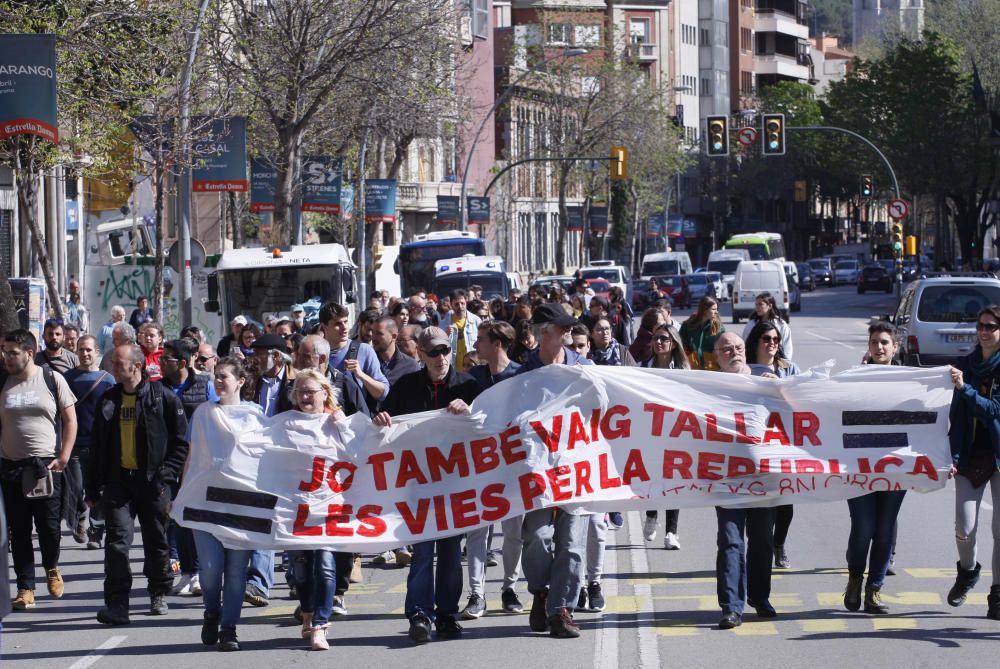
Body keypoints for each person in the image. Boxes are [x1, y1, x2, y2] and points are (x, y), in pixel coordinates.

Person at [373, 326, 481, 643]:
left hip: (455, 485)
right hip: (417, 486)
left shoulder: (468, 385)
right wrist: (380, 420)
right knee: (422, 553)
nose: (441, 357)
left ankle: (447, 614)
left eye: (445, 350)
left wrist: (471, 412)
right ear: (420, 354)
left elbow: (490, 427)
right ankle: (420, 614)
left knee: (449, 554)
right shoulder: (406, 386)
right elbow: (384, 423)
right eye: (433, 352)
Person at [87, 344, 189, 625]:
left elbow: (181, 444)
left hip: (153, 483)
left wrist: (165, 475)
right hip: (119, 484)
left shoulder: (163, 398)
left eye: (118, 363)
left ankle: (158, 592)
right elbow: (96, 446)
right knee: (117, 543)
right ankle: (118, 604)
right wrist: (92, 486)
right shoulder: (108, 399)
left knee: (156, 541)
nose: (112, 367)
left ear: (136, 366)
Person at [514, 304, 594, 638]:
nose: (567, 334)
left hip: (577, 468)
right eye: (561, 328)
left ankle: (562, 609)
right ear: (545, 332)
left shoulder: (585, 368)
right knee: (537, 537)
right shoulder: (521, 374)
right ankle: (542, 591)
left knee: (573, 541)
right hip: (537, 471)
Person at [0, 330, 78, 610]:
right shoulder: (3, 381)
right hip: (11, 468)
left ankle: (52, 567)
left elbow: (70, 420)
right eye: (4, 351)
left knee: (48, 528)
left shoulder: (50, 378)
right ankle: (25, 588)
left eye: (12, 352)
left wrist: (64, 456)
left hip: (45, 467)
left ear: (29, 353)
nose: (6, 357)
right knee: (19, 531)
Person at [187, 356, 256, 651]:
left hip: (242, 504)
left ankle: (229, 628)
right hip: (205, 501)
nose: (218, 381)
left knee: (238, 572)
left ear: (240, 381)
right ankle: (212, 611)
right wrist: (180, 494)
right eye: (216, 376)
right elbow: (191, 456)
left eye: (224, 376)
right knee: (211, 570)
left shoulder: (256, 414)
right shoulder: (203, 413)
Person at [839, 321, 908, 615]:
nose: (879, 348)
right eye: (874, 342)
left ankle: (874, 589)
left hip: (895, 466)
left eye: (884, 343)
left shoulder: (909, 381)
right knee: (864, 526)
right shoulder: (853, 379)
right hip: (859, 467)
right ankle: (855, 578)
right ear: (868, 347)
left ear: (895, 347)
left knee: (884, 529)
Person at [459, 321, 524, 619]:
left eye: (482, 340)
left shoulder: (521, 376)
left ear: (498, 343)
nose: (476, 346)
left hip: (512, 467)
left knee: (513, 531)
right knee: (477, 532)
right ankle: (476, 594)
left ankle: (509, 588)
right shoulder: (472, 377)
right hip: (480, 466)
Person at [711, 332, 774, 630]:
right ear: (717, 356)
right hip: (728, 479)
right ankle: (731, 607)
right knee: (731, 541)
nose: (733, 352)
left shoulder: (766, 382)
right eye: (726, 349)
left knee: (762, 541)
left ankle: (760, 598)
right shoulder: (707, 388)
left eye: (737, 347)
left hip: (764, 479)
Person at [947, 305, 1000, 621]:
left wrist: (964, 388)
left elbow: (993, 409)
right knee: (964, 530)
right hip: (969, 456)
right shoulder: (965, 364)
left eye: (991, 326)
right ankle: (968, 572)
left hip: (997, 454)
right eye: (980, 325)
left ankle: (997, 595)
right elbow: (954, 416)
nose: (984, 331)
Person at [287, 369, 346, 651]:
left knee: (324, 567)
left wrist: (343, 425)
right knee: (300, 570)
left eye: (311, 391)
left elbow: (359, 453)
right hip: (296, 509)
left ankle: (321, 625)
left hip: (329, 507)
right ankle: (307, 613)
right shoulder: (286, 424)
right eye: (301, 392)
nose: (306, 396)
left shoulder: (336, 421)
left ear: (325, 393)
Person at [161, 338, 219, 596]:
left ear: (183, 363)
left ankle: (201, 571)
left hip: (200, 463)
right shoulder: (158, 388)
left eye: (167, 359)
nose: (161, 363)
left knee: (198, 519)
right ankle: (186, 571)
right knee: (176, 518)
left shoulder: (206, 384)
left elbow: (217, 416)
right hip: (170, 463)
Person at [745, 321, 801, 570]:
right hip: (753, 444)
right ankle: (761, 547)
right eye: (766, 339)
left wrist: (780, 384)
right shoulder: (743, 370)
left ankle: (779, 543)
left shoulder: (788, 368)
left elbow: (803, 399)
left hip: (782, 443)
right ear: (756, 341)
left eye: (776, 340)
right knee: (756, 503)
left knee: (784, 502)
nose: (772, 344)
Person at [640, 324, 690, 550]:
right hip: (650, 431)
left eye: (664, 339)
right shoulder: (643, 368)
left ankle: (672, 532)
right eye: (656, 338)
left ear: (673, 343)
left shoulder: (683, 370)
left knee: (673, 480)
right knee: (652, 476)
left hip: (675, 432)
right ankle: (651, 514)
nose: (659, 342)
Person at [64, 336, 115, 549]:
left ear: (96, 352)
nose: (84, 354)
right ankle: (79, 518)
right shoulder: (68, 378)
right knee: (75, 488)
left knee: (98, 490)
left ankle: (95, 531)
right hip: (75, 443)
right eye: (81, 350)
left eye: (88, 350)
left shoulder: (108, 380)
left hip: (100, 446)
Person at [319, 302, 389, 412]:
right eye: (337, 324)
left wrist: (360, 375)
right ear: (324, 326)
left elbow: (383, 393)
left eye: (345, 322)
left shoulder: (364, 350)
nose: (344, 328)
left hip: (355, 423)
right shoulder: (315, 352)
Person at [371, 317, 421, 388]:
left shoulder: (411, 366)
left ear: (394, 336)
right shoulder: (367, 361)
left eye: (379, 333)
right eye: (372, 332)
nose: (373, 337)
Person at [741, 293, 793, 360]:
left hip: (776, 362)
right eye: (756, 305)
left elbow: (787, 347)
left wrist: (785, 364)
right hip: (755, 362)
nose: (757, 307)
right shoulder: (751, 324)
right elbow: (744, 344)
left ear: (770, 306)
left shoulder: (781, 325)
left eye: (760, 304)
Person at [440, 289, 481, 372]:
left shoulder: (476, 320)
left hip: (472, 367)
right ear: (451, 305)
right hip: (452, 368)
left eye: (462, 303)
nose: (460, 306)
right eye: (456, 304)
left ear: (466, 302)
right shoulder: (444, 324)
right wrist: (445, 336)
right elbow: (439, 346)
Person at [680, 296, 724, 371]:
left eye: (717, 309)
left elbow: (724, 347)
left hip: (713, 370)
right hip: (693, 369)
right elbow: (680, 345)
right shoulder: (688, 326)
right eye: (713, 309)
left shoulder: (719, 327)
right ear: (704, 310)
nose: (716, 312)